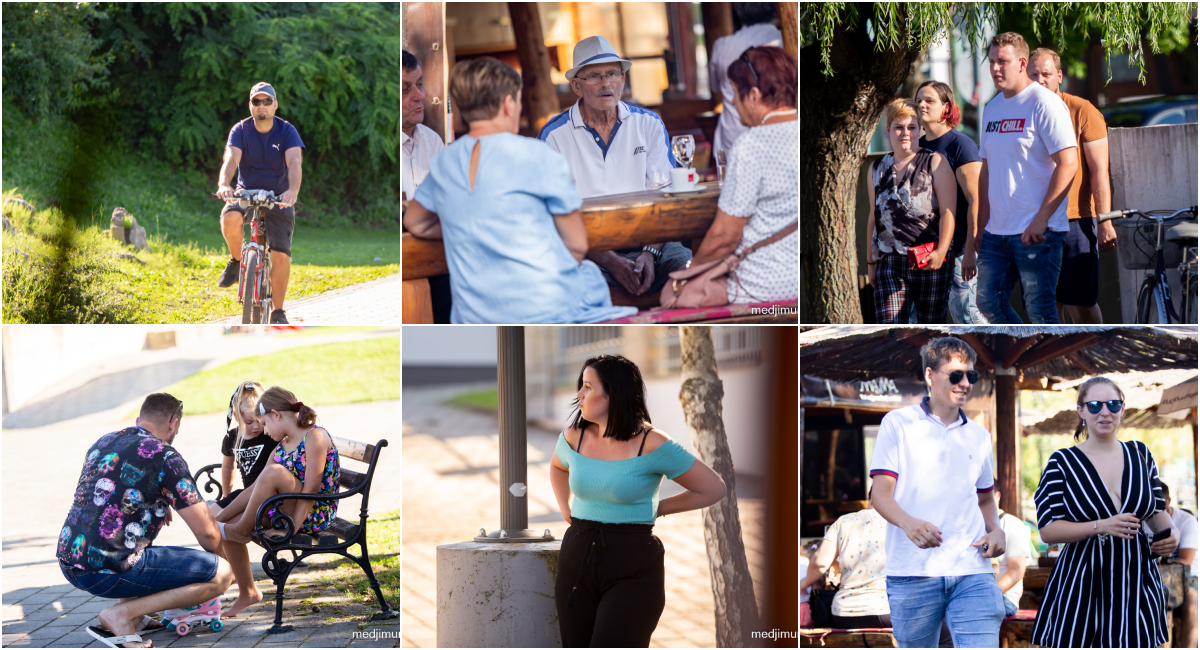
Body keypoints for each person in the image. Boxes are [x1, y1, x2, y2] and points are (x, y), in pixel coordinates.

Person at [405, 57, 636, 323]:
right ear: (508, 104)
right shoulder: (536, 154)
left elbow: (415, 222)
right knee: (590, 276)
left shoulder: (445, 161)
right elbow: (577, 244)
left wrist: (470, 228)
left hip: (475, 315)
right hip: (540, 309)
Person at [549, 355, 726, 647]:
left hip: (632, 562)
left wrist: (658, 509)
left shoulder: (652, 443)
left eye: (588, 387)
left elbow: (713, 488)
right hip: (576, 558)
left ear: (613, 393)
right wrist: (564, 506)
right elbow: (557, 467)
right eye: (581, 386)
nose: (579, 395)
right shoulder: (574, 437)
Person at [59, 393, 234, 649]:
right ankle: (120, 615)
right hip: (106, 570)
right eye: (177, 428)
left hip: (70, 561)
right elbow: (207, 532)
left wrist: (157, 499)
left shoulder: (104, 441)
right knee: (221, 574)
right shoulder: (165, 456)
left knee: (130, 541)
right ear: (173, 423)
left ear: (140, 419)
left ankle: (135, 618)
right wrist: (220, 563)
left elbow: (110, 495)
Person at [869, 337, 1007, 647]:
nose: (965, 383)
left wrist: (996, 531)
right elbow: (879, 495)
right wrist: (909, 523)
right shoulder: (898, 424)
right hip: (913, 573)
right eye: (955, 374)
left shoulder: (980, 436)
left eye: (970, 375)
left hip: (973, 571)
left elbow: (985, 499)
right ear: (931, 376)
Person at [538, 36, 692, 298]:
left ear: (623, 78)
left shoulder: (649, 124)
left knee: (689, 272)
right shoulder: (554, 136)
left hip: (653, 243)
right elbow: (552, 217)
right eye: (595, 76)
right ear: (576, 86)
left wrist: (650, 252)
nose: (606, 84)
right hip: (587, 252)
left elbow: (666, 199)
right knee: (572, 289)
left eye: (612, 74)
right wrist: (609, 260)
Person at [1031, 377, 1179, 647]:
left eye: (1112, 404)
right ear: (1081, 411)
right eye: (1095, 405)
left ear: (1122, 409)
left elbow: (1156, 510)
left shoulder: (1141, 455)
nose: (1104, 412)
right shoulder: (1062, 463)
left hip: (1136, 578)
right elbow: (1047, 529)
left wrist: (1173, 534)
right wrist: (1101, 525)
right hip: (1082, 580)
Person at [975, 32, 1079, 324]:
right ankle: (1024, 358)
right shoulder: (992, 108)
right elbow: (987, 169)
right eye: (992, 61)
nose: (995, 68)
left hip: (1037, 232)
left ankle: (1049, 366)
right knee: (987, 302)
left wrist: (1041, 220)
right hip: (997, 231)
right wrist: (981, 225)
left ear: (1022, 63)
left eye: (1002, 62)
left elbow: (1068, 164)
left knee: (1041, 311)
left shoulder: (1044, 103)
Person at [688, 46, 798, 304]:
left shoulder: (751, 145)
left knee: (672, 293)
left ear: (754, 96)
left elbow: (724, 237)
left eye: (735, 94)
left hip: (760, 284)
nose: (734, 104)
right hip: (799, 280)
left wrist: (690, 273)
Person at [1026, 48, 1116, 325]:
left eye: (1046, 74)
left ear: (1059, 76)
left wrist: (1105, 221)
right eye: (1033, 75)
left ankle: (1095, 351)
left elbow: (1100, 171)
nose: (1040, 80)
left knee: (1083, 305)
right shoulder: (1020, 113)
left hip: (1077, 219)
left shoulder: (1082, 110)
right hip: (1033, 221)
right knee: (1047, 305)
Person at [215, 82, 305, 325]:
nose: (262, 105)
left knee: (281, 255)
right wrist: (225, 184)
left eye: (267, 101)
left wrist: (291, 191)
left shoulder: (287, 131)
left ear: (275, 105)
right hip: (247, 192)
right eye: (257, 101)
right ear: (250, 106)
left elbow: (295, 162)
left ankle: (278, 310)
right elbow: (231, 158)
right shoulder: (240, 130)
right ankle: (236, 260)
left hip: (279, 197)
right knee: (229, 218)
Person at [866, 99, 958, 323]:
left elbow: (948, 213)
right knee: (890, 330)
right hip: (889, 262)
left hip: (929, 258)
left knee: (930, 329)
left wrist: (941, 252)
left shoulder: (935, 162)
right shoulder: (876, 168)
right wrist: (870, 264)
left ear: (920, 130)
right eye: (899, 127)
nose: (905, 133)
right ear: (888, 130)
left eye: (911, 127)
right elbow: (873, 218)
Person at [215, 387, 341, 546]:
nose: (265, 431)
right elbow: (253, 488)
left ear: (276, 415)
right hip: (285, 511)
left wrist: (290, 529)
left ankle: (241, 530)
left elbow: (311, 491)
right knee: (227, 526)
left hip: (314, 514)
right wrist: (218, 519)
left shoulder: (315, 436)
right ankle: (238, 567)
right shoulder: (282, 446)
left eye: (264, 424)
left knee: (273, 472)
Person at [915, 81, 986, 324]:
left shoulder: (960, 145)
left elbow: (977, 201)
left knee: (966, 316)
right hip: (924, 251)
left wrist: (970, 252)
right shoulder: (916, 146)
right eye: (919, 101)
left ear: (946, 107)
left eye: (929, 101)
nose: (922, 105)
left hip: (958, 251)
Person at [207, 381, 276, 617]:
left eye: (259, 420)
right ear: (236, 417)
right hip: (244, 494)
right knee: (207, 520)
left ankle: (241, 584)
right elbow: (228, 468)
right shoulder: (233, 437)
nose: (255, 426)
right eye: (249, 422)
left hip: (263, 497)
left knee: (222, 525)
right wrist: (226, 494)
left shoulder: (270, 435)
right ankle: (230, 572)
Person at [403, 49, 452, 324]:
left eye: (419, 84)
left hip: (440, 267)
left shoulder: (433, 142)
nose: (419, 96)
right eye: (405, 88)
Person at [799, 488, 890, 629]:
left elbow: (820, 563)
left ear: (870, 499)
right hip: (885, 610)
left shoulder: (844, 521)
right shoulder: (897, 524)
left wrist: (804, 583)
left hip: (843, 612)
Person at [708, 3, 782, 153]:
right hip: (775, 136)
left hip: (731, 137)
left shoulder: (722, 46)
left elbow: (715, 87)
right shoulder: (783, 40)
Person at [1158, 483, 1198, 648]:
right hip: (1156, 576)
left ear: (1168, 500)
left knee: (1193, 599)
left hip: (1186, 576)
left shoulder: (1186, 520)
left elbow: (1185, 560)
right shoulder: (1141, 520)